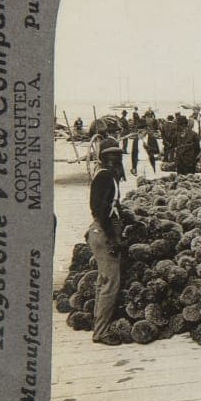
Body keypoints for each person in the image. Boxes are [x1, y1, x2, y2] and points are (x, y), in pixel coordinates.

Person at [86, 140, 129, 345]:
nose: (117, 159)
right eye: (112, 156)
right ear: (104, 158)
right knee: (110, 284)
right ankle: (101, 332)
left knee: (103, 281)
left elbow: (112, 206)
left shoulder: (106, 176)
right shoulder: (105, 177)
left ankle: (97, 325)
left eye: (119, 155)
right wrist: (113, 238)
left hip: (98, 230)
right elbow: (102, 211)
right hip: (102, 233)